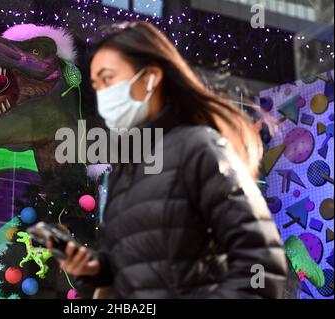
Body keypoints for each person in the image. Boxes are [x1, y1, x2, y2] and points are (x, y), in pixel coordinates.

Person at [48, 21, 287, 299]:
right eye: (97, 84)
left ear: (150, 79)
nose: (103, 94)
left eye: (109, 79)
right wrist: (92, 271)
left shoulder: (199, 148)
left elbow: (261, 267)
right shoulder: (123, 172)